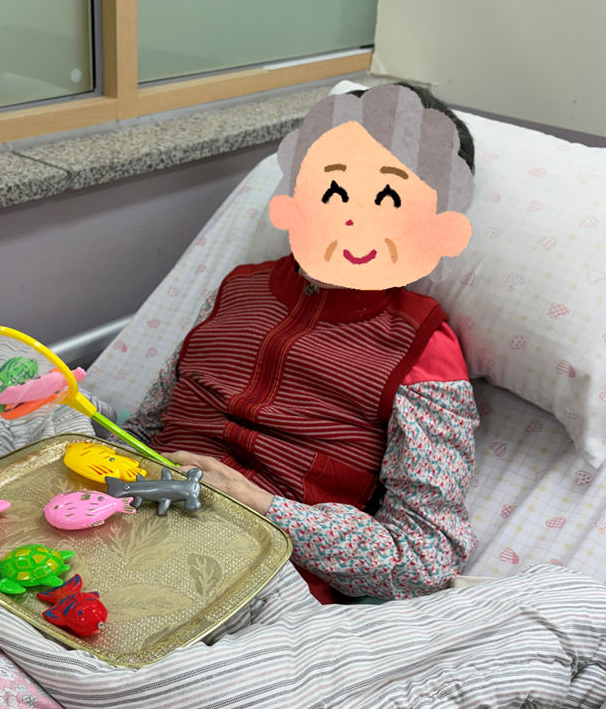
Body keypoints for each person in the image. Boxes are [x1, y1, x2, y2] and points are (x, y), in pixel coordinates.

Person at [121, 83, 479, 604]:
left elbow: (425, 557)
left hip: (252, 579)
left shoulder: (423, 348)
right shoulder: (237, 289)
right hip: (125, 517)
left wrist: (262, 507)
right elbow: (141, 432)